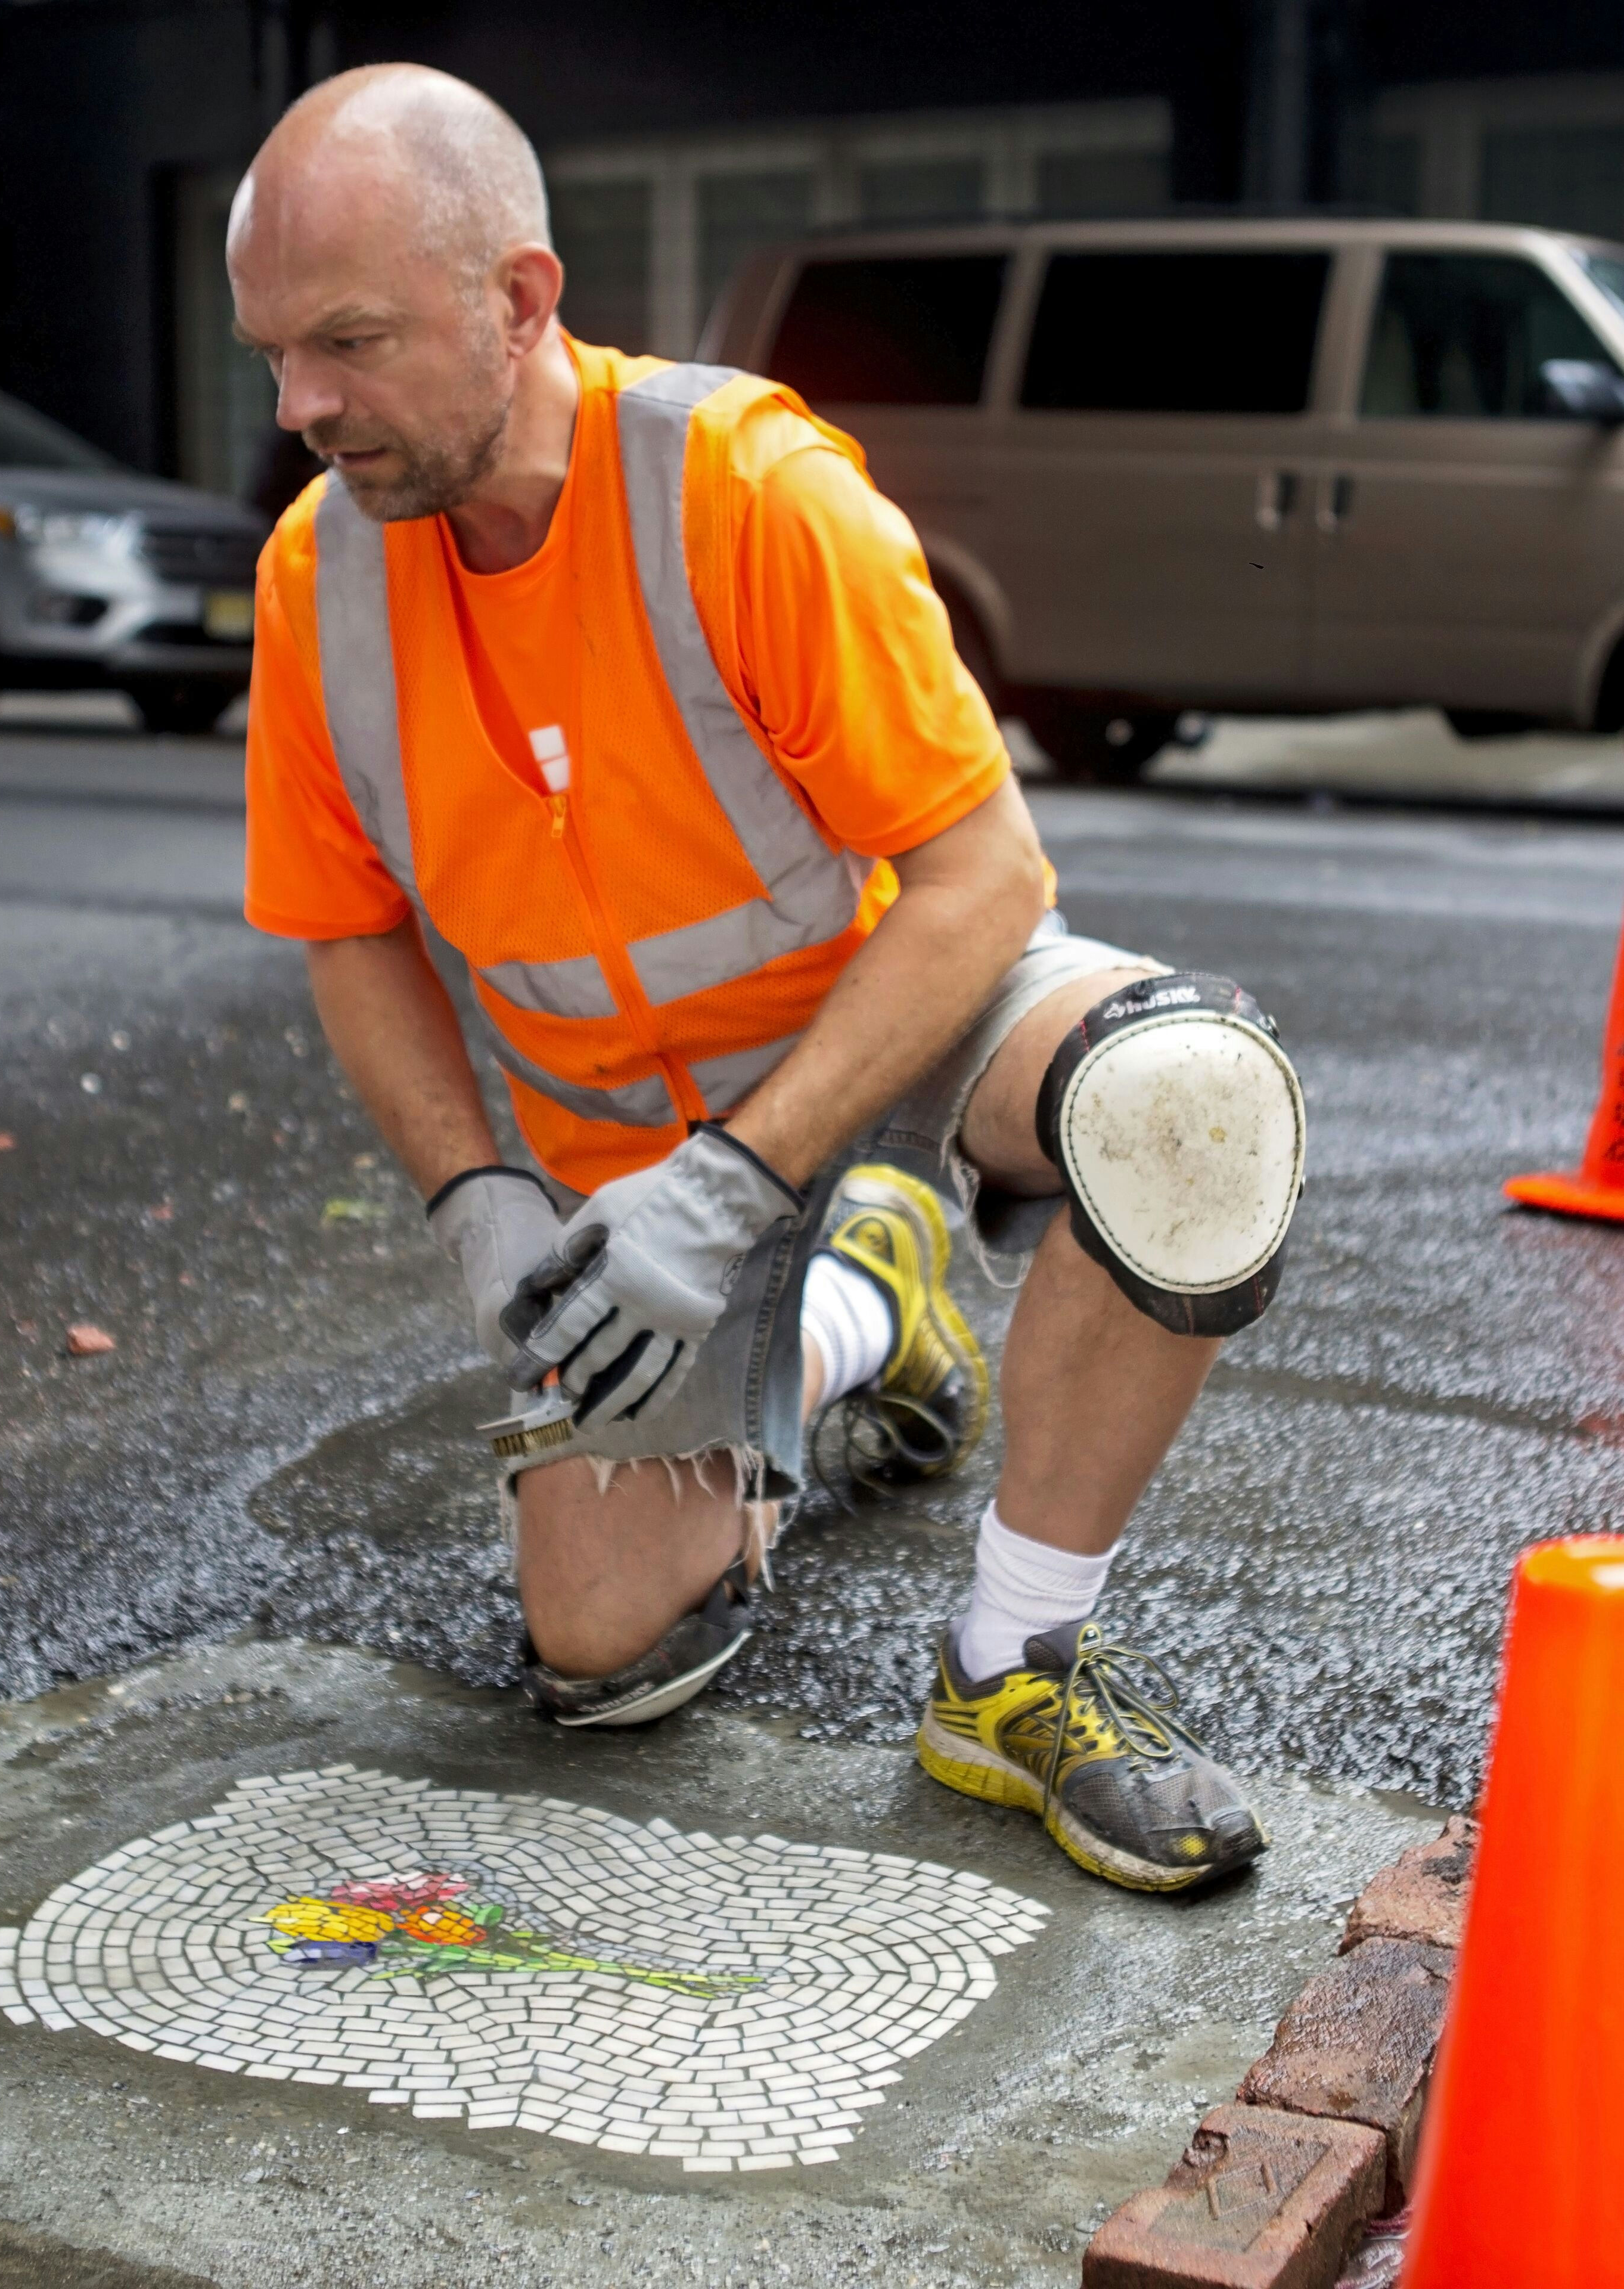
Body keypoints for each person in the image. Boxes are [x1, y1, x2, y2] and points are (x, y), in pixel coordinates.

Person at [229, 64, 1307, 1893]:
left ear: (519, 297)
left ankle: (1016, 1663)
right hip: (625, 1164)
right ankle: (860, 1317)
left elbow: (986, 874)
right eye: (274, 356)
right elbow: (348, 927)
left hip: (897, 1034)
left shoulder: (747, 493)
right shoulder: (317, 585)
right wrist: (477, 1198)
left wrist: (742, 1177)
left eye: (349, 342)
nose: (304, 407)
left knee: (1186, 1100)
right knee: (601, 1653)